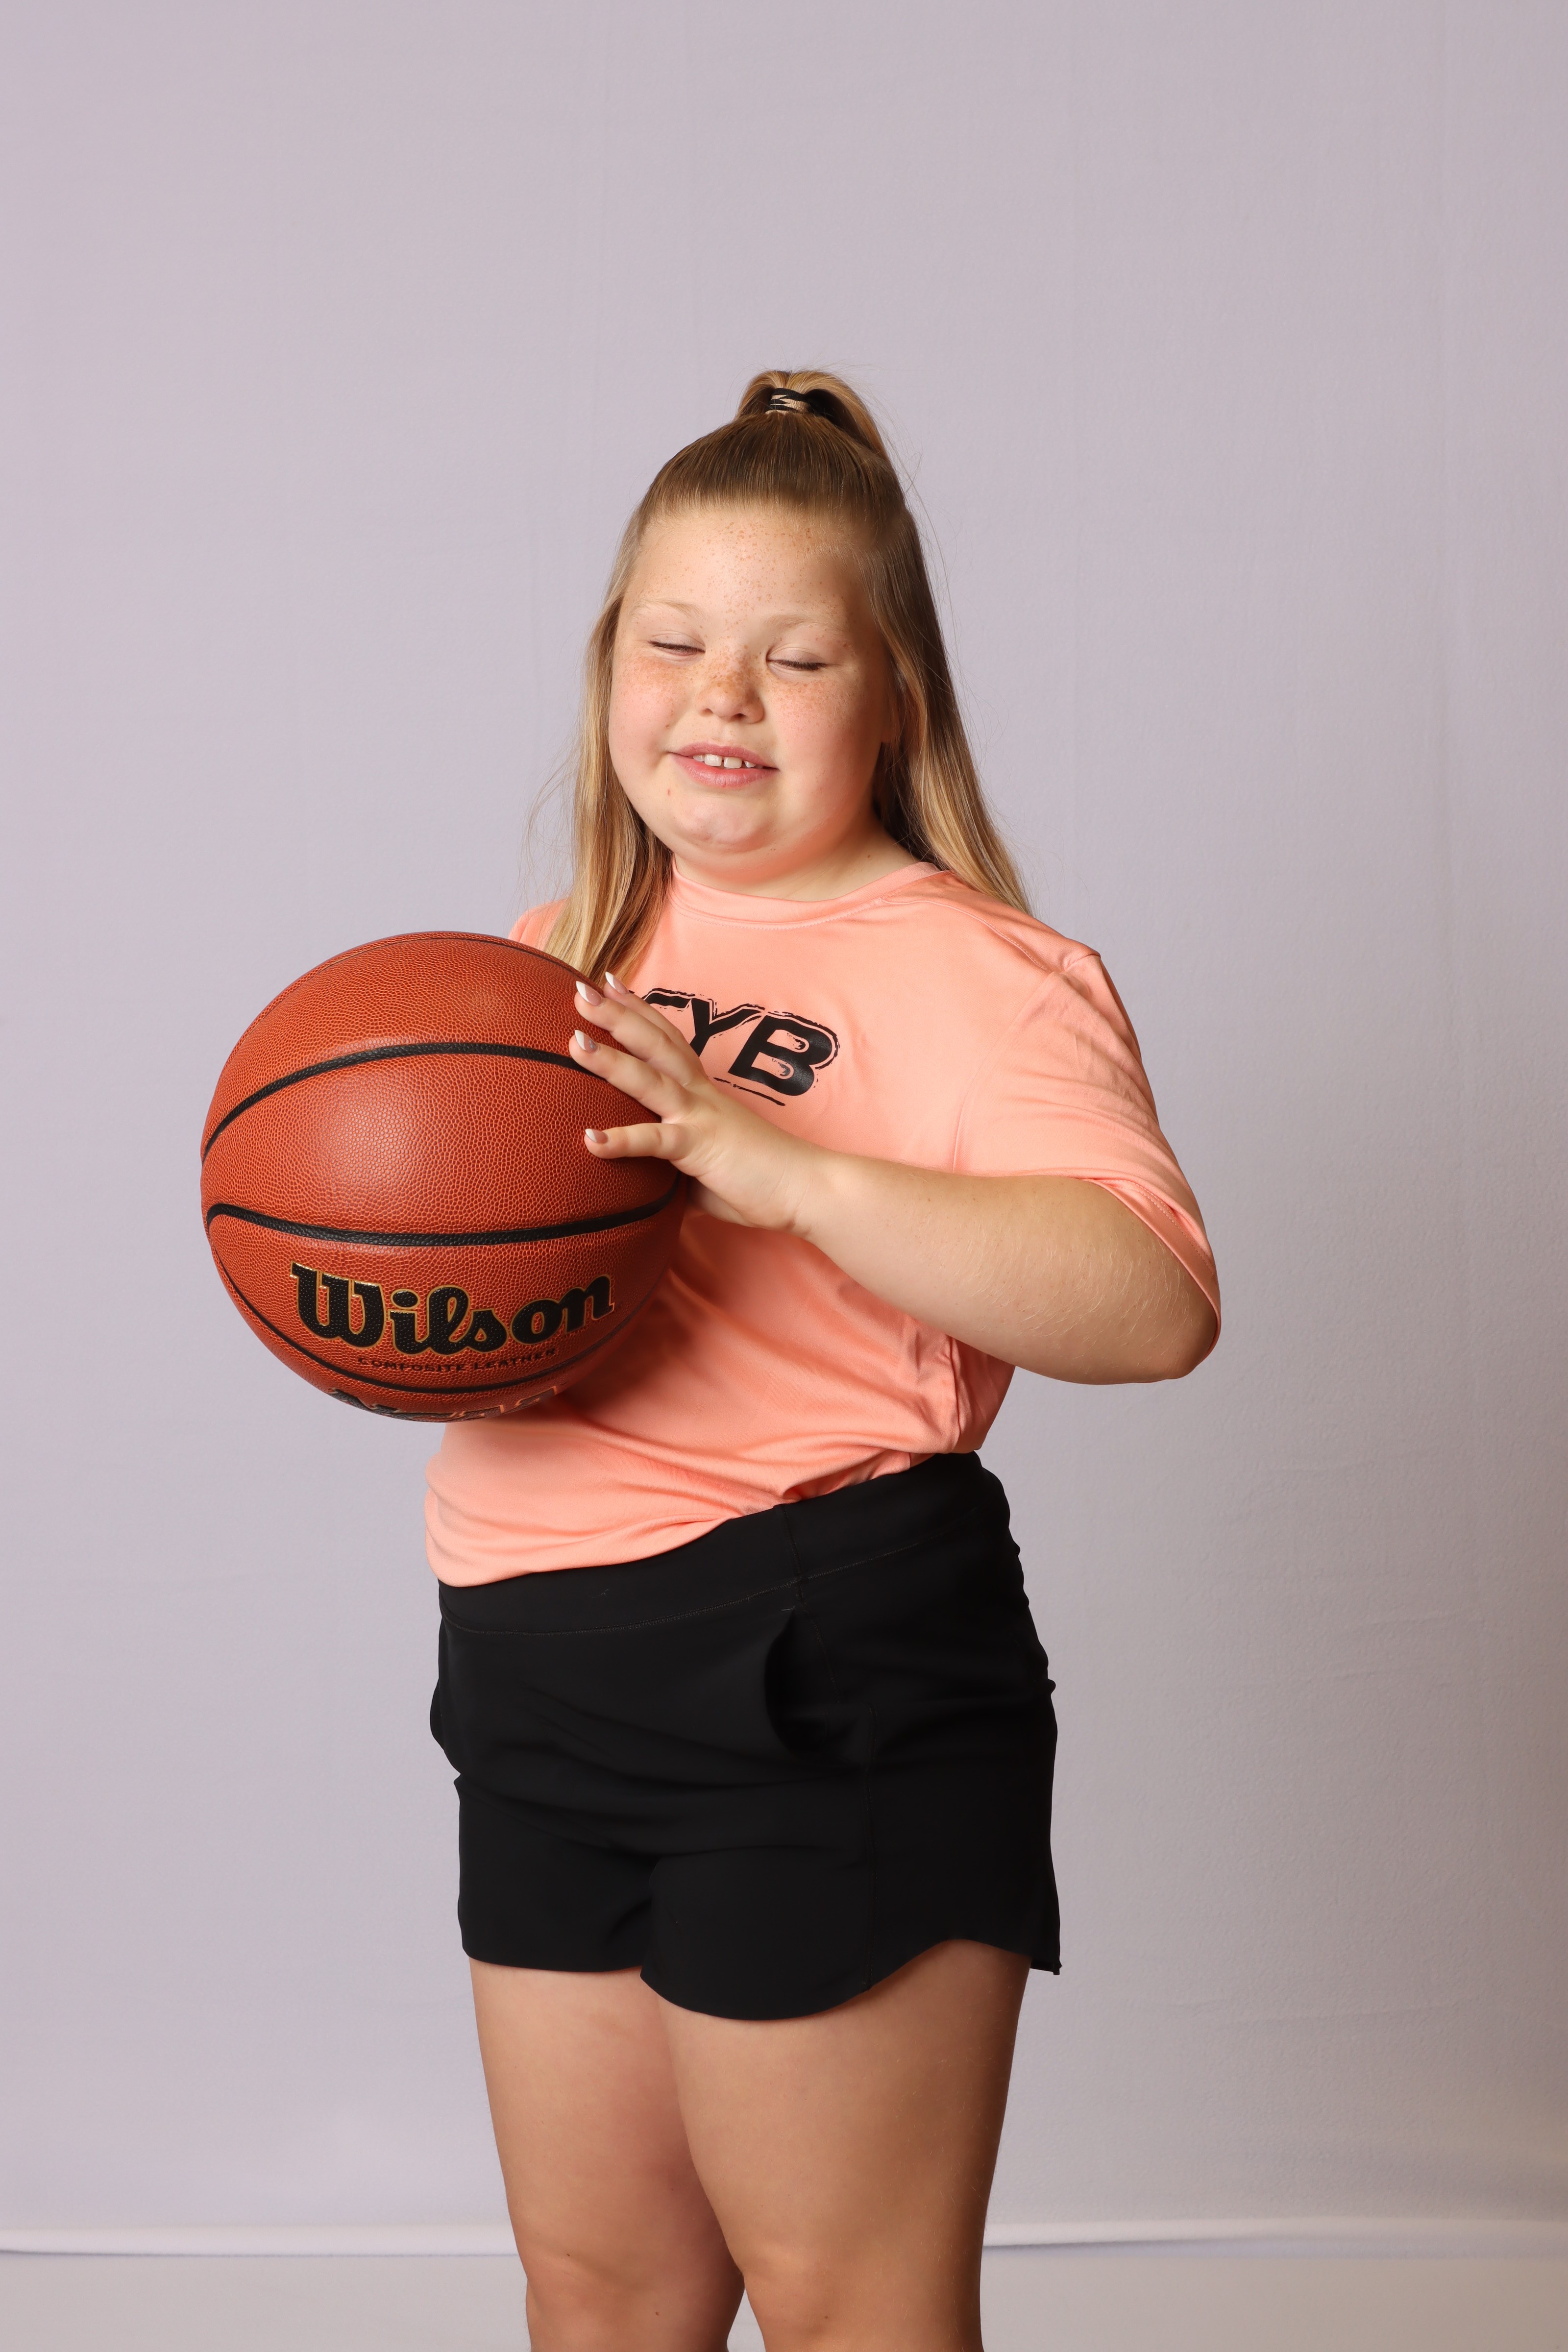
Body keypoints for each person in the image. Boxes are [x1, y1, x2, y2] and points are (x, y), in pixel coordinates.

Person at [426, 371, 1219, 2352]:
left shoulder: (981, 975)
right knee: (600, 2296)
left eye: (793, 658)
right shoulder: (561, 946)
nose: (724, 695)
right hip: (533, 1663)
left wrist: (783, 1171)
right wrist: (404, 1302)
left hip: (818, 1661)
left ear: (896, 703)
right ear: (609, 667)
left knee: (851, 2307)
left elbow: (1152, 1303)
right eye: (673, 643)